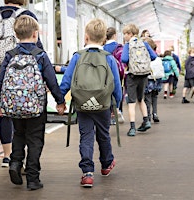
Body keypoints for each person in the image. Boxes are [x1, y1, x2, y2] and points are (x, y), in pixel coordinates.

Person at [0, 15, 66, 190]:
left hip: (14, 106)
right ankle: (33, 179)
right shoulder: (40, 55)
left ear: (16, 35)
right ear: (35, 34)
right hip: (36, 107)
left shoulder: (10, 55)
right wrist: (60, 101)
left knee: (18, 134)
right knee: (35, 140)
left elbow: (1, 80)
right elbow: (51, 80)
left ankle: (15, 163)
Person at [60, 18, 122, 188]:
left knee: (86, 136)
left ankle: (87, 173)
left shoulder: (77, 56)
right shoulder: (109, 58)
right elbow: (116, 83)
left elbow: (67, 80)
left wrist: (60, 100)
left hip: (82, 103)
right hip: (103, 103)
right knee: (104, 134)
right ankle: (106, 164)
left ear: (85, 37)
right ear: (104, 39)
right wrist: (117, 102)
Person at [0, 0, 43, 167]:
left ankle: (7, 156)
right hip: (20, 67)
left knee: (4, 112)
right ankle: (21, 156)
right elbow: (36, 46)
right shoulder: (26, 16)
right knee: (23, 109)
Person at [121, 24, 157, 137]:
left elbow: (124, 59)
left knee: (131, 102)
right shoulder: (144, 43)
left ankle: (132, 128)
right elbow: (154, 56)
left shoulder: (128, 45)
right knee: (141, 99)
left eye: (125, 34)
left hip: (132, 75)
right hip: (144, 74)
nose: (124, 36)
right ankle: (146, 120)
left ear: (130, 34)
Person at [103, 27, 125, 124]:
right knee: (117, 92)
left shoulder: (102, 48)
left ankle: (107, 116)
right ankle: (117, 112)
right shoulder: (120, 48)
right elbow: (122, 63)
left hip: (103, 76)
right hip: (116, 75)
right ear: (115, 35)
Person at [143, 37, 164, 123]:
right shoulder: (156, 55)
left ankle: (147, 116)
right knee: (154, 97)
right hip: (157, 79)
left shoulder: (145, 55)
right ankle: (155, 113)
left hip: (148, 79)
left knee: (147, 98)